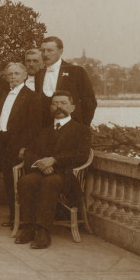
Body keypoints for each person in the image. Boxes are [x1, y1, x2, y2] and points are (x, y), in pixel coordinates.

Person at [15, 91, 91, 249]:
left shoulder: (82, 130)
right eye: (55, 103)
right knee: (25, 181)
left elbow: (82, 156)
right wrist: (41, 163)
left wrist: (55, 160)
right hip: (41, 172)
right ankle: (29, 226)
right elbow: (30, 151)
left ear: (72, 107)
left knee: (50, 182)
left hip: (66, 176)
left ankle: (43, 231)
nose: (59, 107)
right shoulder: (43, 130)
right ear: (50, 107)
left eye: (63, 103)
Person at [0, 62, 43, 227]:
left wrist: (25, 147)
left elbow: (34, 126)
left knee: (17, 181)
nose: (13, 77)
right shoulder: (4, 93)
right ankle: (13, 216)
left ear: (24, 76)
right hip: (2, 141)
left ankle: (22, 217)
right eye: (10, 74)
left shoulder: (32, 96)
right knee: (7, 180)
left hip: (18, 144)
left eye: (16, 74)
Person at [35, 36, 97, 126]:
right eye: (43, 50)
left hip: (71, 130)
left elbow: (89, 102)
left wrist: (82, 126)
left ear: (60, 51)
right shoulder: (38, 74)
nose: (45, 54)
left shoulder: (76, 71)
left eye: (49, 50)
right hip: (44, 131)